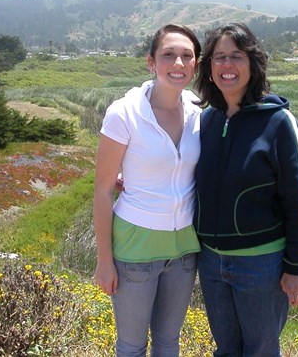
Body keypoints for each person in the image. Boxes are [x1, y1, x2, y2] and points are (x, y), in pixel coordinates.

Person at [193, 22, 298, 356]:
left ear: (252, 63)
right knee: (226, 350)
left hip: (262, 265)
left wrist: (295, 267)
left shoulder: (278, 122)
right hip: (212, 262)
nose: (227, 66)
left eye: (236, 56)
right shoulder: (205, 121)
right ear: (209, 66)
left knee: (260, 350)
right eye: (219, 58)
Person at [92, 24, 202, 357]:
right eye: (168, 55)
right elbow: (102, 190)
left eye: (187, 56)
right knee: (131, 345)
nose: (178, 63)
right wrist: (103, 261)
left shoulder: (200, 113)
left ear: (196, 64)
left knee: (169, 342)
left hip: (184, 249)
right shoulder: (123, 114)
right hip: (134, 249)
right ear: (151, 62)